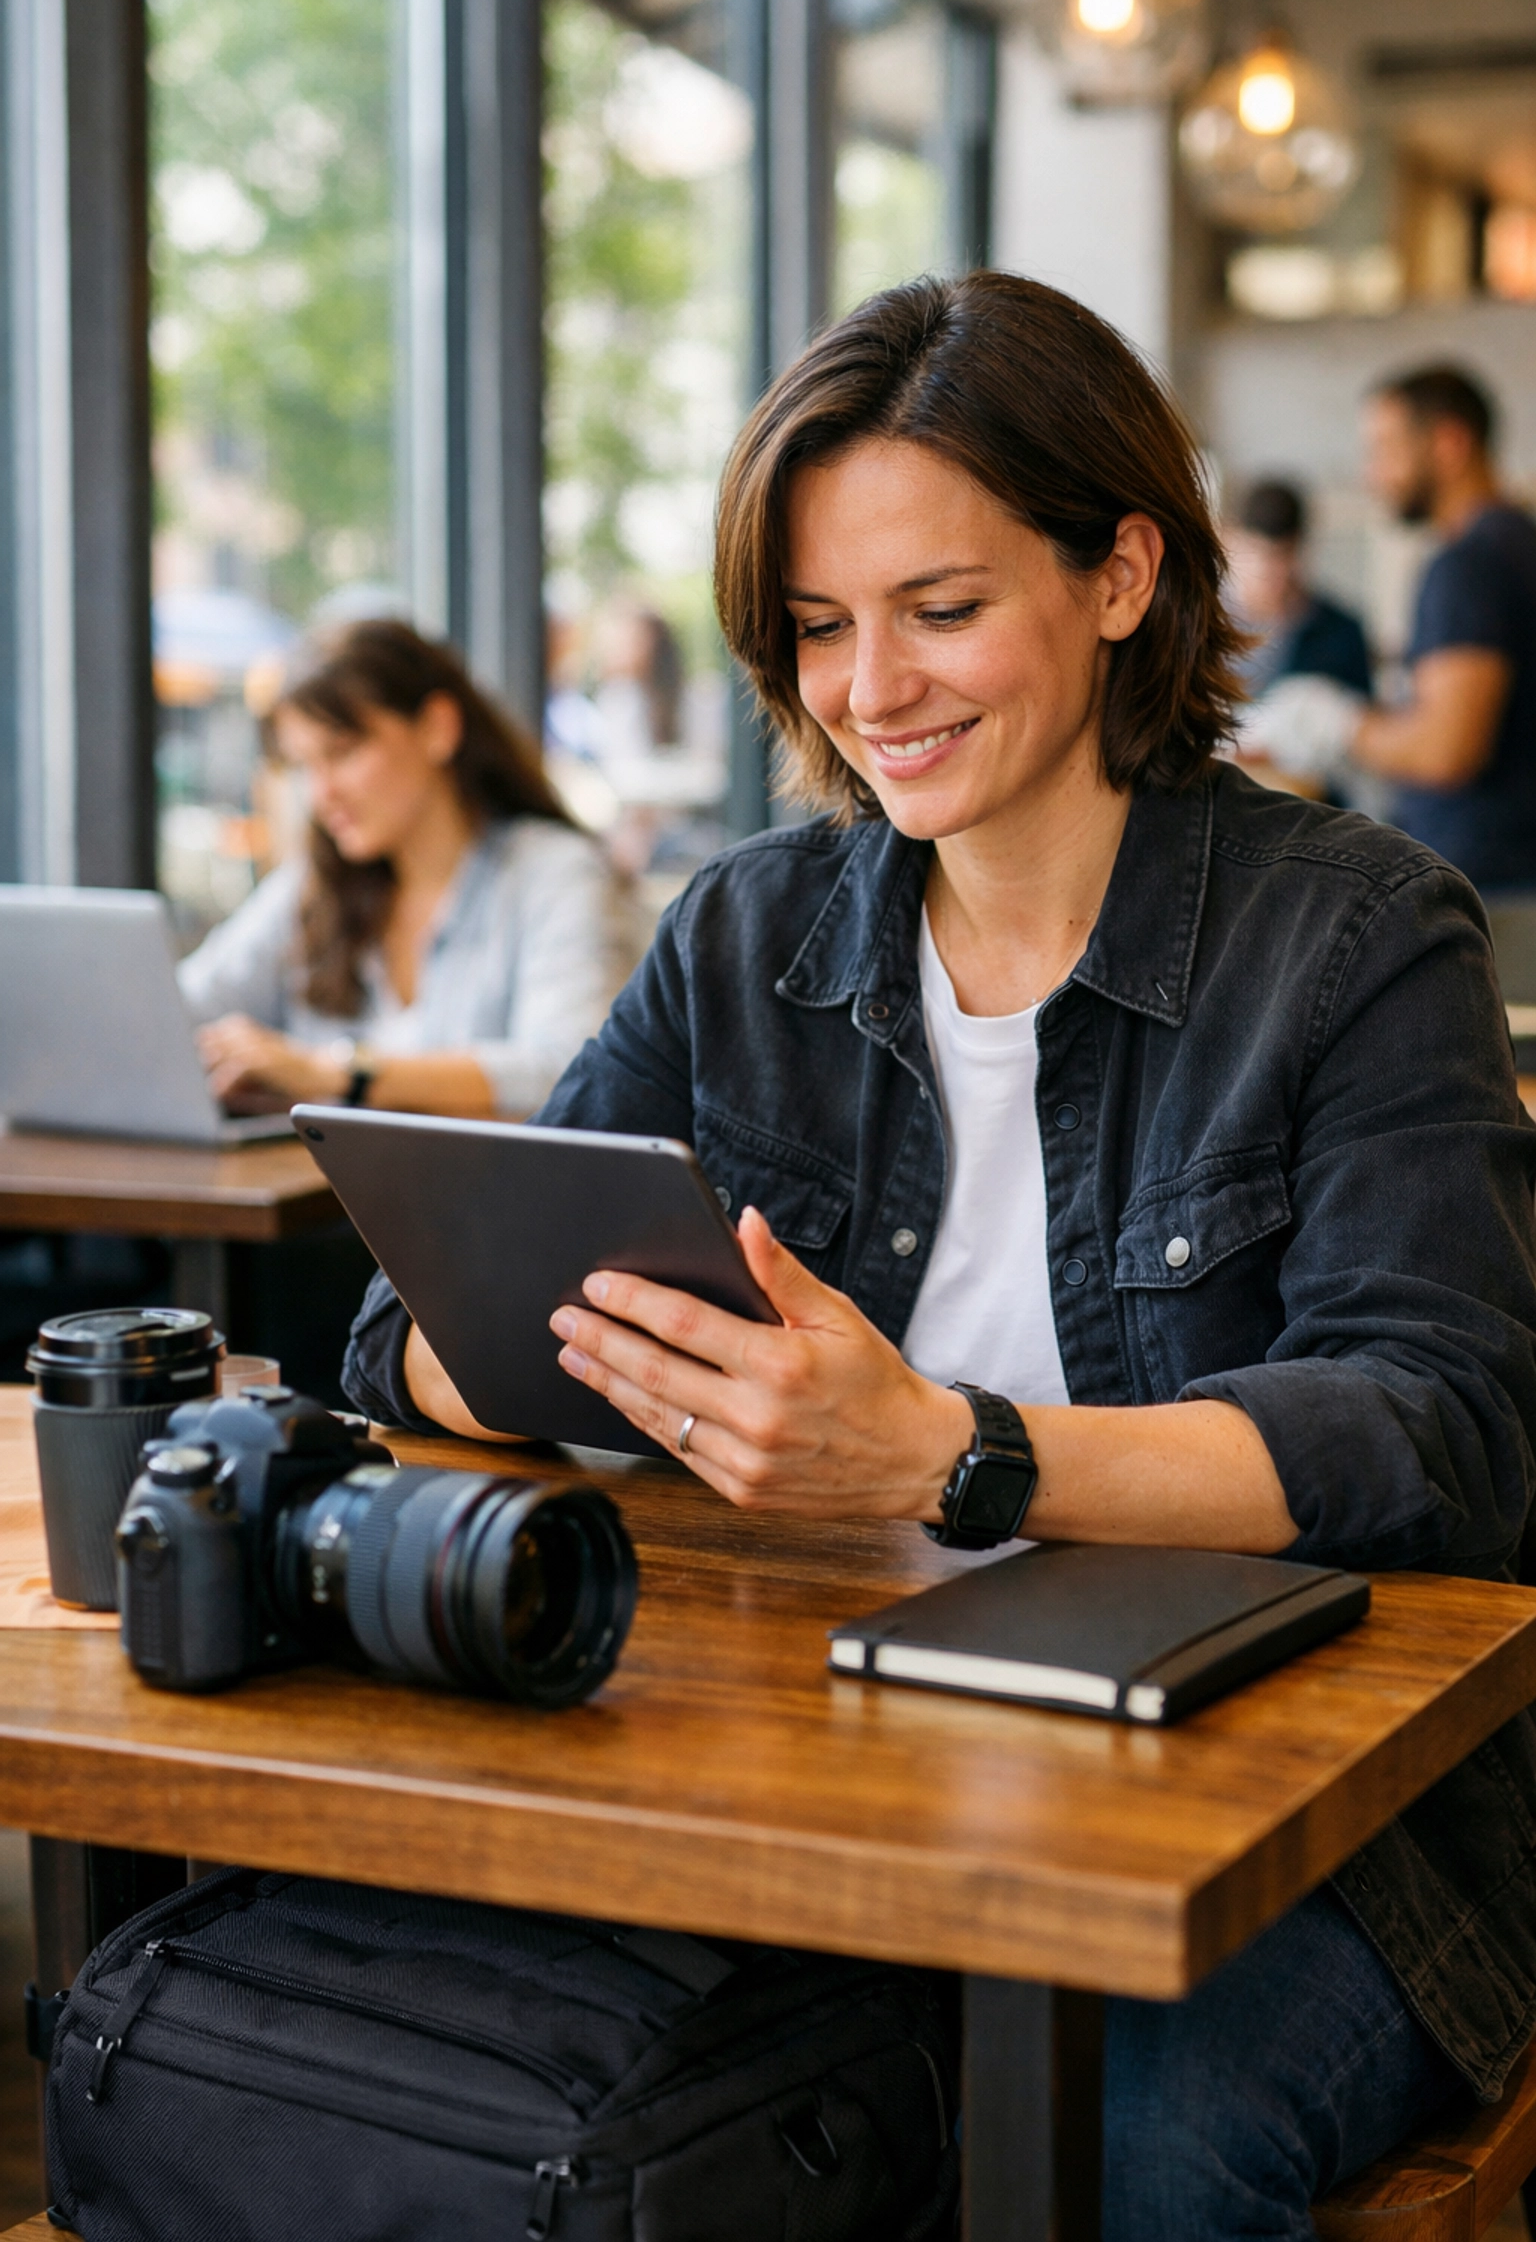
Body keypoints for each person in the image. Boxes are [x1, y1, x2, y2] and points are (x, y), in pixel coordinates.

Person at [343, 275, 1536, 2238]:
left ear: (1123, 575)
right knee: (460, 2046)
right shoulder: (744, 937)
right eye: (817, 628)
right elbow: (409, 1323)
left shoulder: (1362, 934)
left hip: (1314, 1830)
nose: (867, 688)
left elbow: (1440, 1429)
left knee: (1114, 2150)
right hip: (823, 1766)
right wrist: (599, 1365)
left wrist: (950, 1453)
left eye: (942, 609)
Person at [178, 619, 635, 1118]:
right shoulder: (314, 885)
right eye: (304, 766)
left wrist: (331, 1074)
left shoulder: (555, 875)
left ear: (438, 727)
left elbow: (569, 1074)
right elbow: (183, 1008)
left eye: (342, 752)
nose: (320, 794)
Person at [1243, 369, 1536, 893]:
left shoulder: (1469, 564)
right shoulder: (1517, 544)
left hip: (1492, 887)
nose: (1374, 474)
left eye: (1385, 449)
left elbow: (1447, 748)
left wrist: (1338, 725)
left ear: (1449, 442)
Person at [1227, 477, 1372, 702]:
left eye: (1283, 555)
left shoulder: (1342, 634)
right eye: (1258, 553)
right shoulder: (1198, 626)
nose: (1270, 571)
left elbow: (1369, 722)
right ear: (1231, 542)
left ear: (1303, 548)